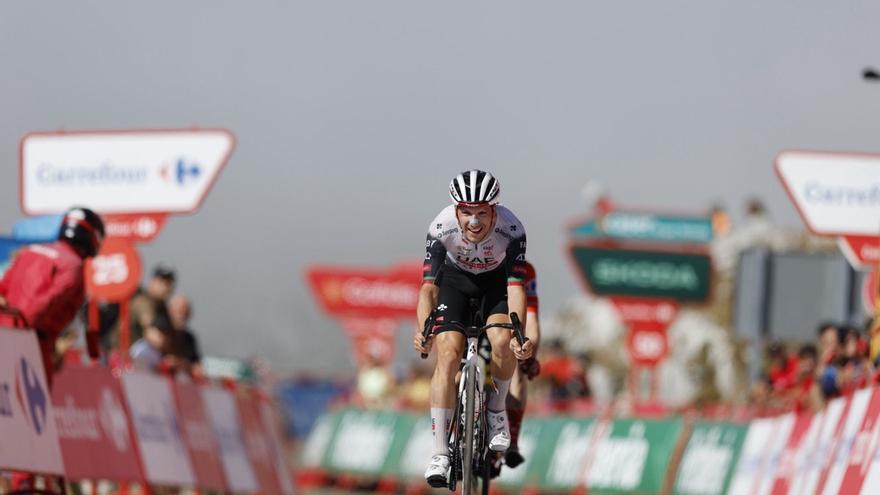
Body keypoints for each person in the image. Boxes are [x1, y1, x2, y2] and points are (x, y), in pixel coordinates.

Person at [412, 170, 534, 487]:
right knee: (448, 354)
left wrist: (519, 333)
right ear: (456, 211)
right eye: (466, 212)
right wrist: (423, 331)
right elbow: (427, 289)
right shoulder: (440, 227)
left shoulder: (512, 229)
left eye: (481, 213)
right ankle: (440, 453)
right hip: (455, 284)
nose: (474, 222)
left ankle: (496, 411)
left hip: (495, 286)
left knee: (502, 340)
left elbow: (517, 288)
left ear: (494, 210)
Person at [0, 207, 104, 383]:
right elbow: (44, 304)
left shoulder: (30, 251)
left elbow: (3, 289)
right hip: (32, 344)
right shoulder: (73, 266)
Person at [504, 260, 541, 468]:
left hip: (508, 326)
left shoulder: (526, 271)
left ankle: (513, 441)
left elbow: (532, 317)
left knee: (518, 367)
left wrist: (531, 355)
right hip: (481, 320)